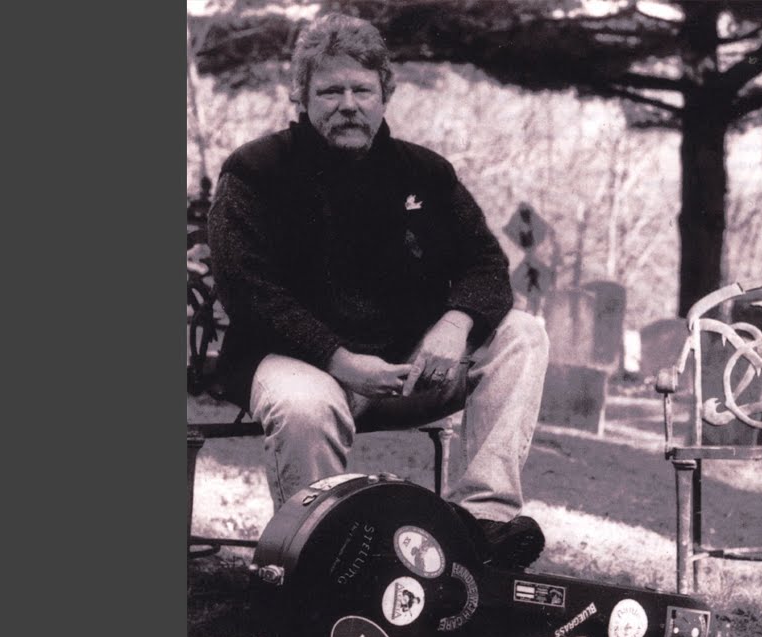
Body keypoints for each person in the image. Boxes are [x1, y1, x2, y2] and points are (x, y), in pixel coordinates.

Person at [207, 12, 550, 570]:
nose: (348, 104)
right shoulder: (255, 172)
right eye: (330, 91)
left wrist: (455, 323)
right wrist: (341, 361)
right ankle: (319, 564)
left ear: (384, 94)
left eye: (362, 90)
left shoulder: (426, 173)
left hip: (409, 371)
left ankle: (482, 524)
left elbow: (487, 264)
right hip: (300, 365)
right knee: (304, 406)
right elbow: (249, 292)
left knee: (523, 335)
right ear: (302, 96)